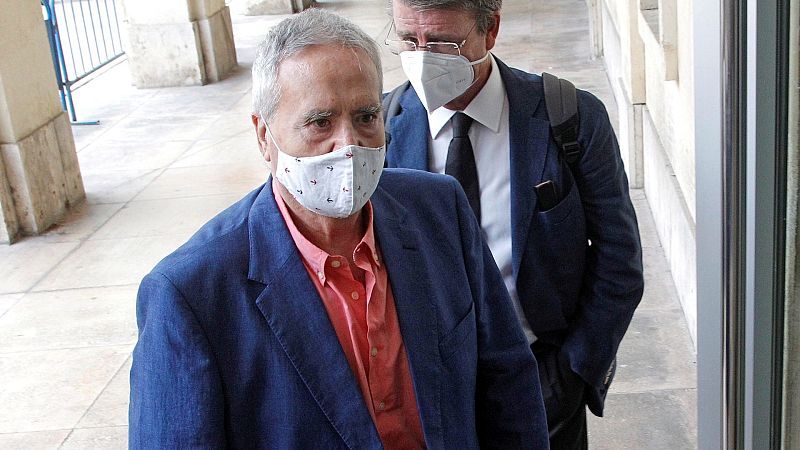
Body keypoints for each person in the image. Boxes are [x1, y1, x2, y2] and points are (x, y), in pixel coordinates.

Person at [128, 8, 549, 449]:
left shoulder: (439, 210)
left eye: (366, 117)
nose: (349, 145)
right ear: (264, 136)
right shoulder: (189, 293)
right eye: (320, 122)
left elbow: (507, 379)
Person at [382, 1, 645, 448]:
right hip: (430, 393)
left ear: (491, 30)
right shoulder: (383, 130)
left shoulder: (570, 117)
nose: (423, 60)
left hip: (543, 379)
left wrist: (574, 370)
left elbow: (619, 258)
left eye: (443, 43)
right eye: (410, 40)